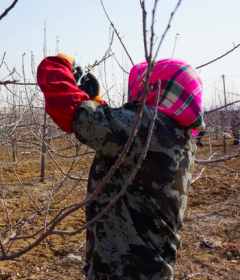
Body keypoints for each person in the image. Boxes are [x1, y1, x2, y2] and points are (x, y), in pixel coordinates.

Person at [37, 54, 204, 280]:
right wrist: (95, 100)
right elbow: (118, 135)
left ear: (154, 88)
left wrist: (56, 65)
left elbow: (77, 115)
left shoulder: (148, 128)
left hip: (125, 271)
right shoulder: (175, 136)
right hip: (147, 267)